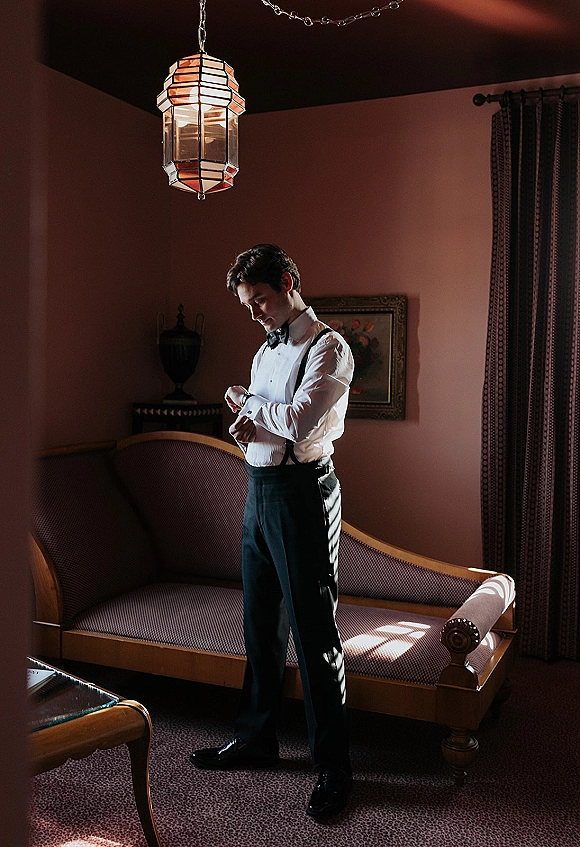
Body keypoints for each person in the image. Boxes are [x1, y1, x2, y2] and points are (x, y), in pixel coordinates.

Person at [190, 244, 355, 819]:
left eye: (258, 299)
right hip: (258, 491)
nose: (254, 312)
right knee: (260, 626)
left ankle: (334, 769)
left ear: (287, 283)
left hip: (303, 495)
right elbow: (267, 428)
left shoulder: (329, 347)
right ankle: (255, 740)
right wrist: (248, 425)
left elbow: (301, 424)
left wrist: (250, 402)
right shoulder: (265, 351)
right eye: (247, 304)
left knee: (314, 634)